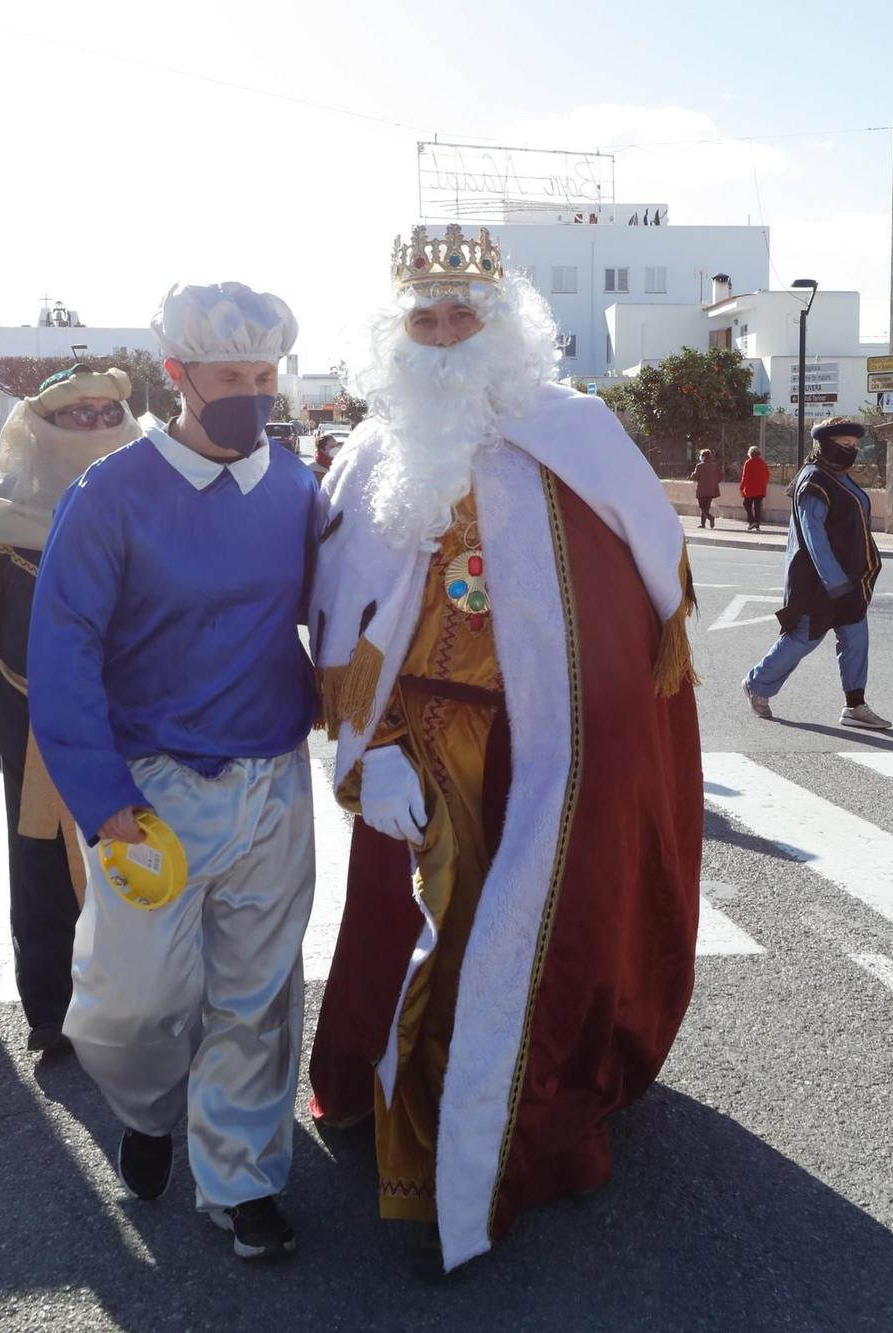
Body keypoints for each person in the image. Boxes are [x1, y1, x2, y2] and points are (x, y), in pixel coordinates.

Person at [306, 223, 702, 1277]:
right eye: (422, 319)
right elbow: (337, 612)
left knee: (535, 927)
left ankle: (511, 1115)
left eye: (461, 314)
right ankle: (405, 1110)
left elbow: (645, 580)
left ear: (504, 323)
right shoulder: (371, 451)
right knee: (420, 921)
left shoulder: (574, 429)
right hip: (416, 735)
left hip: (548, 744)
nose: (441, 335)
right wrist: (367, 746)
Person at [28, 282, 321, 1261]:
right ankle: (150, 1110)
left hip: (272, 779)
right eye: (232, 376)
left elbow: (349, 612)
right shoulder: (109, 493)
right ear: (180, 374)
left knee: (258, 995)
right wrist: (102, 796)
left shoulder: (295, 486)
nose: (252, 392)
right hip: (150, 791)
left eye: (265, 376)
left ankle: (240, 1181)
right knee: (131, 1002)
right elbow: (63, 648)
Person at [0, 364, 139, 1054]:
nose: (98, 428)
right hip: (34, 719)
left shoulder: (157, 503)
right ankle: (52, 1008)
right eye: (79, 416)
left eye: (109, 414)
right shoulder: (5, 514)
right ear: (43, 426)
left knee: (142, 852)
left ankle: (141, 999)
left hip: (139, 719)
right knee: (42, 860)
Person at [742, 417, 893, 729]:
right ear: (825, 445)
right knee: (804, 638)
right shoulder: (813, 480)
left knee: (855, 637)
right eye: (844, 445)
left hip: (850, 579)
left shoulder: (840, 477)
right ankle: (757, 684)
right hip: (818, 581)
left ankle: (855, 705)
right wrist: (835, 582)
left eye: (854, 445)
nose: (851, 450)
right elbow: (814, 537)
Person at [690, 446, 723, 528]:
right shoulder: (714, 466)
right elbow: (720, 477)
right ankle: (703, 523)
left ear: (703, 456)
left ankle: (710, 518)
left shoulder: (700, 466)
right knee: (706, 507)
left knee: (702, 507)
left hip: (702, 489)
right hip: (712, 489)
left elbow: (695, 477)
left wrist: (692, 474)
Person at [739, 443, 769, 530]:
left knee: (746, 504)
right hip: (760, 488)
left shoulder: (748, 462)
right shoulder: (763, 462)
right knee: (757, 506)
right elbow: (767, 475)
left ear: (750, 453)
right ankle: (757, 524)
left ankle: (751, 521)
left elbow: (745, 476)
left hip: (750, 488)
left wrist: (741, 487)